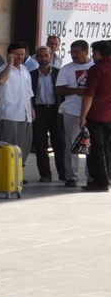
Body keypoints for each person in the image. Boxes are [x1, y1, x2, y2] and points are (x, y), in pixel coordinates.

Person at [56, 39, 94, 188]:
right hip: (71, 111)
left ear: (86, 51)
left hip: (93, 111)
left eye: (77, 52)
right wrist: (76, 91)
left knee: (92, 146)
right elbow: (59, 90)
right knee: (71, 144)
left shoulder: (95, 67)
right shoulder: (66, 69)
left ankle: (92, 176)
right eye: (72, 52)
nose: (74, 55)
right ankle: (71, 176)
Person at [0, 42, 34, 166]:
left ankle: (18, 172)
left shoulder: (25, 71)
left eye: (22, 54)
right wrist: (10, 65)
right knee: (9, 148)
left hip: (25, 114)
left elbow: (29, 93)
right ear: (9, 55)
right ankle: (8, 172)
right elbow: (1, 81)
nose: (20, 57)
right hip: (10, 114)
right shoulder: (1, 70)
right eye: (17, 54)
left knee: (24, 148)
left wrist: (31, 110)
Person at [78, 40, 111, 192]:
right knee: (107, 149)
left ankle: (100, 181)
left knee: (96, 150)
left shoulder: (97, 69)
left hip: (97, 115)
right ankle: (108, 177)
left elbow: (89, 95)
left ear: (98, 53)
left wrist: (83, 116)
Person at [29, 46, 65, 183]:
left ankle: (63, 173)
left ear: (51, 56)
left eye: (46, 56)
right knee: (40, 145)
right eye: (40, 56)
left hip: (55, 110)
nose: (43, 59)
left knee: (59, 143)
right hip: (39, 111)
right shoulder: (31, 75)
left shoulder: (59, 73)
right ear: (36, 57)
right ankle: (45, 174)